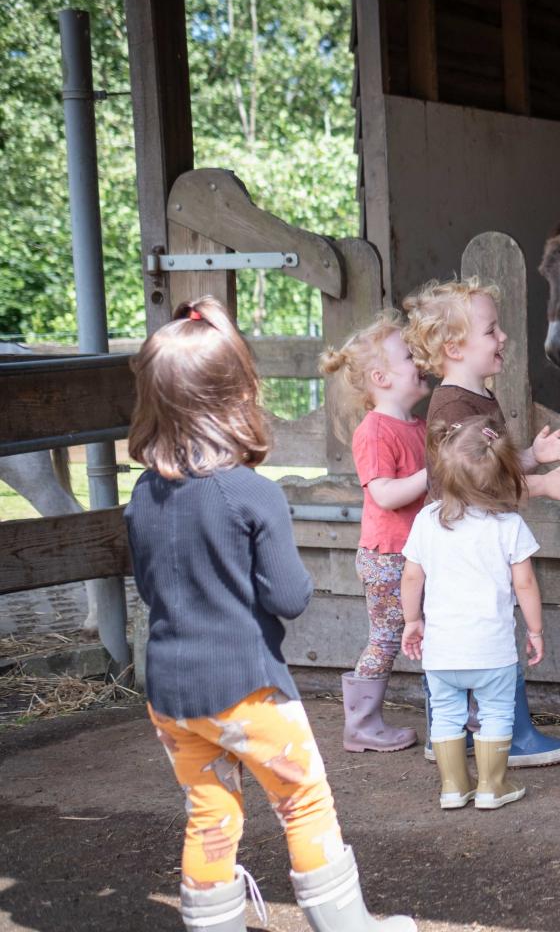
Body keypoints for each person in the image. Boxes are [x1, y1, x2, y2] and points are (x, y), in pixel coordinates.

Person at [125, 297, 414, 932]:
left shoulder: (142, 494)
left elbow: (151, 588)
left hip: (170, 694)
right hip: (248, 690)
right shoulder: (254, 495)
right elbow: (289, 597)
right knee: (304, 802)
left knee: (211, 811)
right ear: (240, 396)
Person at [402, 277, 560, 768]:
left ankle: (457, 733)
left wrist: (531, 455)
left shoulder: (477, 395)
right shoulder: (454, 407)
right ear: (456, 347)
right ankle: (512, 736)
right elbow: (480, 485)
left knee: (471, 630)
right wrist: (542, 484)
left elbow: (490, 464)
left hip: (472, 534)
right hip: (464, 540)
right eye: (492, 331)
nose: (503, 338)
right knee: (492, 629)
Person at [400, 418, 545, 809]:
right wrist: (535, 630)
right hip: (491, 651)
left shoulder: (427, 522)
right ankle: (491, 788)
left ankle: (452, 788)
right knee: (496, 712)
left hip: (442, 651)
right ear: (503, 475)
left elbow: (412, 576)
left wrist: (412, 621)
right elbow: (525, 585)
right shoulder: (508, 525)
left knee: (446, 713)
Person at [318, 310, 429, 753]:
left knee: (436, 629)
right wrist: (432, 475)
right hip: (388, 558)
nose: (420, 358)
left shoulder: (419, 428)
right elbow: (384, 494)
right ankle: (361, 725)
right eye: (409, 354)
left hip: (418, 553)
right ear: (381, 377)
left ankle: (454, 714)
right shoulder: (374, 431)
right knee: (386, 637)